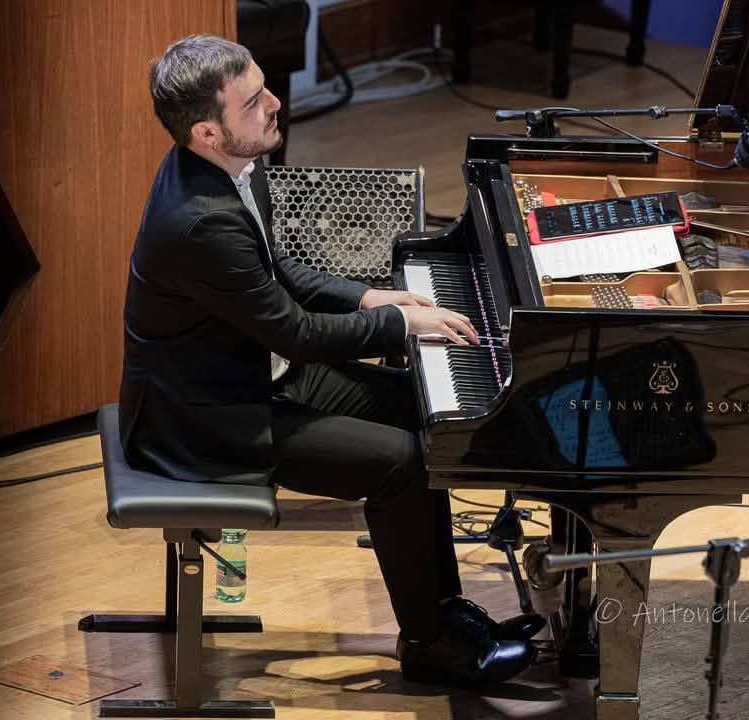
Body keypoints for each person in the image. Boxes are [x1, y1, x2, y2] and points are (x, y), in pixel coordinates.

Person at [120, 34, 541, 685]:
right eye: (252, 101)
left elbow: (276, 271)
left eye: (264, 86)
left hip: (251, 372)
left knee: (424, 414)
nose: (274, 103)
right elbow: (297, 334)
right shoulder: (202, 221)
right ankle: (428, 644)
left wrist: (372, 295)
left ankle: (446, 613)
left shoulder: (227, 165)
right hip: (204, 417)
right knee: (400, 463)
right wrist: (399, 323)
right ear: (206, 130)